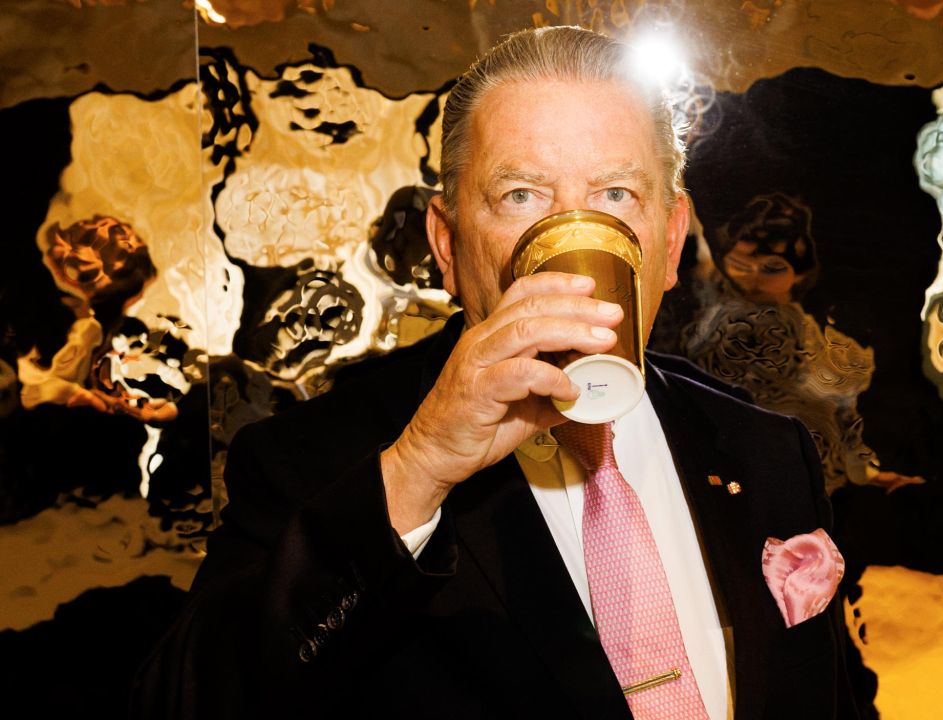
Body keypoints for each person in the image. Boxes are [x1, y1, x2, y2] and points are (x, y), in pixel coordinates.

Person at [133, 26, 861, 719]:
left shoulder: (765, 450)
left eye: (615, 195)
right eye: (522, 195)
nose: (573, 236)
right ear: (448, 246)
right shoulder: (319, 462)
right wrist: (420, 469)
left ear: (670, 243)